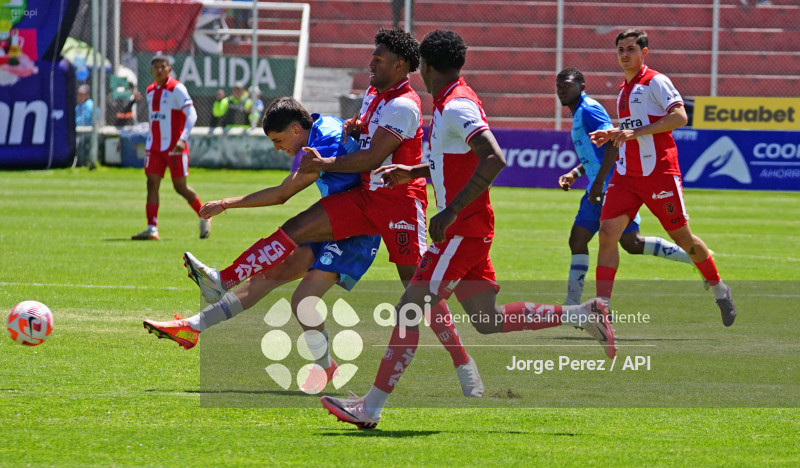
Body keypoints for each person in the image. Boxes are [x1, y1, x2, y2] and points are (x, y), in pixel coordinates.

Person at [319, 30, 615, 430]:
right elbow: (454, 159)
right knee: (486, 318)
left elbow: (494, 158)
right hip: (471, 228)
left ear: (425, 66)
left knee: (409, 309)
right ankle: (584, 314)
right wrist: (414, 171)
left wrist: (451, 210)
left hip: (462, 230)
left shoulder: (456, 106)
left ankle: (369, 407)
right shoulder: (454, 99)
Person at [181, 28, 486, 397]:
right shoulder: (376, 93)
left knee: (420, 291)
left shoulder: (404, 105)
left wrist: (325, 160)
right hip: (366, 198)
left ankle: (463, 363)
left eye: (379, 57)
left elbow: (373, 157)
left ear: (401, 64)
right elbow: (363, 130)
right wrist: (355, 125)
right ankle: (224, 280)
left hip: (401, 205)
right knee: (298, 225)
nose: (371, 61)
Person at [144, 97, 382, 392]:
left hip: (356, 232)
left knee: (302, 299)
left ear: (296, 130)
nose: (277, 148)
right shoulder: (321, 129)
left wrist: (226, 203)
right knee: (269, 274)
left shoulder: (326, 141)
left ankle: (223, 281)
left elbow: (283, 194)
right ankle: (193, 326)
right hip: (333, 222)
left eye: (278, 140)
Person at [587, 29, 736, 326]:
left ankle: (720, 289)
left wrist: (634, 132)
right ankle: (603, 308)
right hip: (627, 174)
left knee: (682, 238)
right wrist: (614, 133)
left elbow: (679, 117)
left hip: (659, 174)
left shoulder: (655, 81)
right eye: (620, 49)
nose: (624, 54)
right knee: (606, 233)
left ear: (644, 52)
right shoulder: (624, 88)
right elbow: (635, 127)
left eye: (630, 48)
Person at [555, 67, 700, 306]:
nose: (562, 90)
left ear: (581, 87)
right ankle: (571, 305)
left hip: (610, 186)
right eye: (559, 86)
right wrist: (575, 172)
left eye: (567, 86)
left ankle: (694, 258)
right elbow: (595, 153)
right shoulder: (578, 112)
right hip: (596, 186)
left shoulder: (589, 109)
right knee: (578, 239)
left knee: (631, 243)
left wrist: (601, 183)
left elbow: (613, 143)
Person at [131, 53, 209, 241]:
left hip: (174, 147)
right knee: (151, 184)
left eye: (162, 66)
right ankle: (152, 228)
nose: (159, 70)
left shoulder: (177, 89)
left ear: (169, 69)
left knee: (180, 187)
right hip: (154, 147)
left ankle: (205, 214)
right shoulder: (150, 90)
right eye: (155, 66)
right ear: (150, 70)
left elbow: (192, 114)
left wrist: (182, 139)